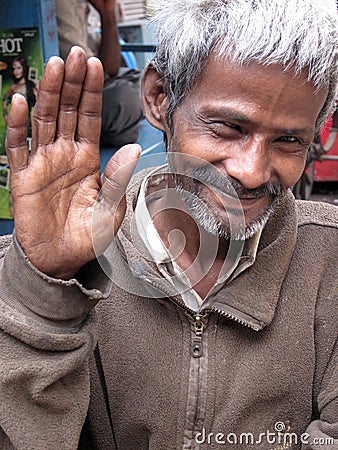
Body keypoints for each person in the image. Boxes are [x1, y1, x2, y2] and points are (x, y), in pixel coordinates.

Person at [0, 0, 337, 449]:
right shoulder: (34, 268)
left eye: (289, 140)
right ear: (161, 99)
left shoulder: (329, 260)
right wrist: (43, 293)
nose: (252, 171)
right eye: (227, 128)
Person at [55, 0, 143, 148]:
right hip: (70, 103)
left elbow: (111, 68)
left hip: (94, 91)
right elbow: (90, 75)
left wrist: (107, 14)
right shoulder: (61, 5)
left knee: (136, 81)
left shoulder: (83, 6)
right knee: (124, 98)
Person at [2, 56, 38, 139]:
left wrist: (37, 87)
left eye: (18, 68)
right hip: (15, 126)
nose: (16, 71)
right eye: (14, 69)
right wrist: (6, 118)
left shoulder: (31, 86)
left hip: (30, 125)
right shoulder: (13, 88)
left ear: (24, 68)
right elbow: (4, 102)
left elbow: (40, 104)